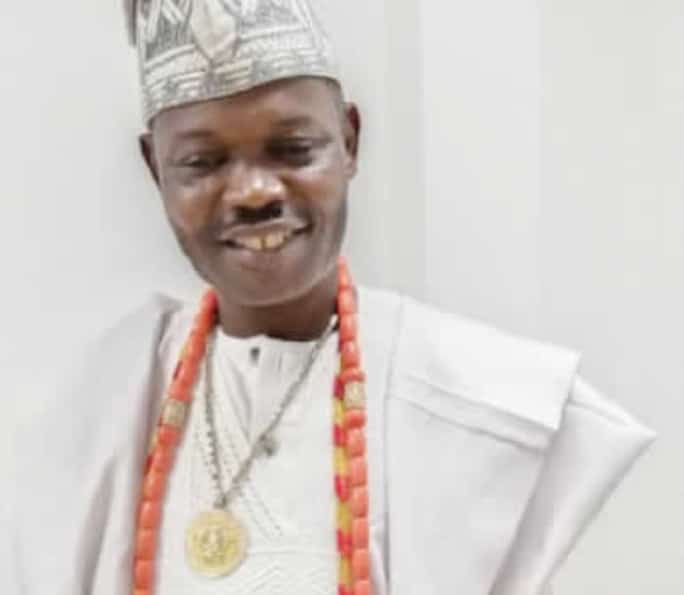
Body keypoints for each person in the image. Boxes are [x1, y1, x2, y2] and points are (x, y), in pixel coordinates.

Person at [2, 1, 654, 594]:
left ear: (349, 141)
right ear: (155, 169)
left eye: (292, 149)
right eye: (203, 162)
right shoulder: (97, 415)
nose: (254, 191)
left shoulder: (480, 407)